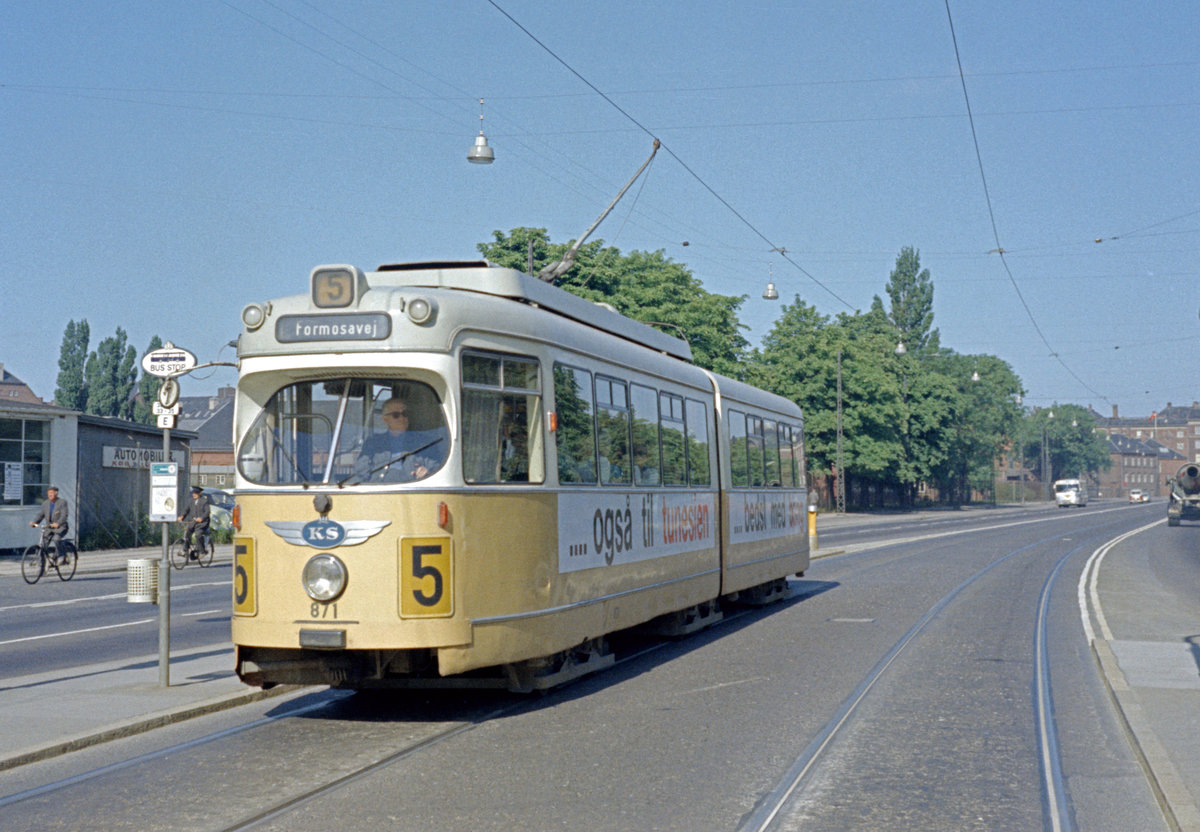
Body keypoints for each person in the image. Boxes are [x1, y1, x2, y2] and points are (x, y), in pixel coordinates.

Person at [358, 396, 446, 481]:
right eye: (396, 415)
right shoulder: (373, 443)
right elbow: (360, 473)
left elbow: (437, 469)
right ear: (385, 419)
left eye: (405, 414)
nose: (402, 418)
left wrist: (427, 473)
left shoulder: (423, 442)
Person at [30, 486, 69, 562]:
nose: (50, 495)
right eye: (48, 493)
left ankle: (62, 556)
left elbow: (64, 515)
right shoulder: (46, 503)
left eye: (51, 493)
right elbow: (41, 514)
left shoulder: (62, 502)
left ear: (56, 493)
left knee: (56, 539)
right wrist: (34, 522)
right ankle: (41, 564)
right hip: (49, 528)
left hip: (60, 528)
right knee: (43, 544)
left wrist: (58, 523)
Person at [178, 486, 212, 559]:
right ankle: (185, 550)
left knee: (198, 534)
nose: (194, 495)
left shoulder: (204, 501)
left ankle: (202, 551)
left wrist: (202, 518)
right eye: (193, 493)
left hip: (202, 523)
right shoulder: (191, 501)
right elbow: (186, 510)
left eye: (196, 493)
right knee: (187, 533)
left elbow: (207, 512)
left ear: (199, 493)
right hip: (193, 522)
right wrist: (182, 516)